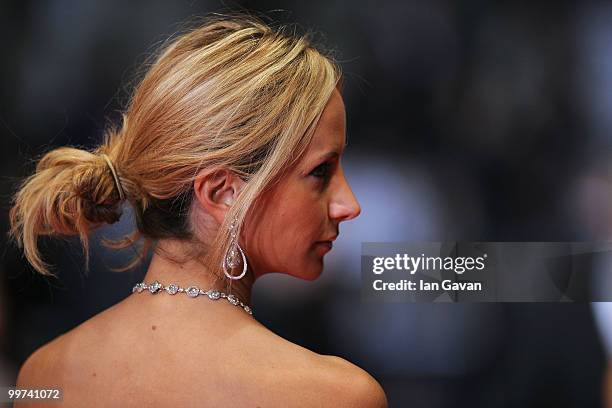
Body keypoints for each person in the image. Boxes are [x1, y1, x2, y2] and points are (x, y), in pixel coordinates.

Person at [8, 14, 387, 407]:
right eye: (320, 172)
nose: (350, 205)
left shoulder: (41, 375)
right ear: (222, 194)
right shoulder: (335, 396)